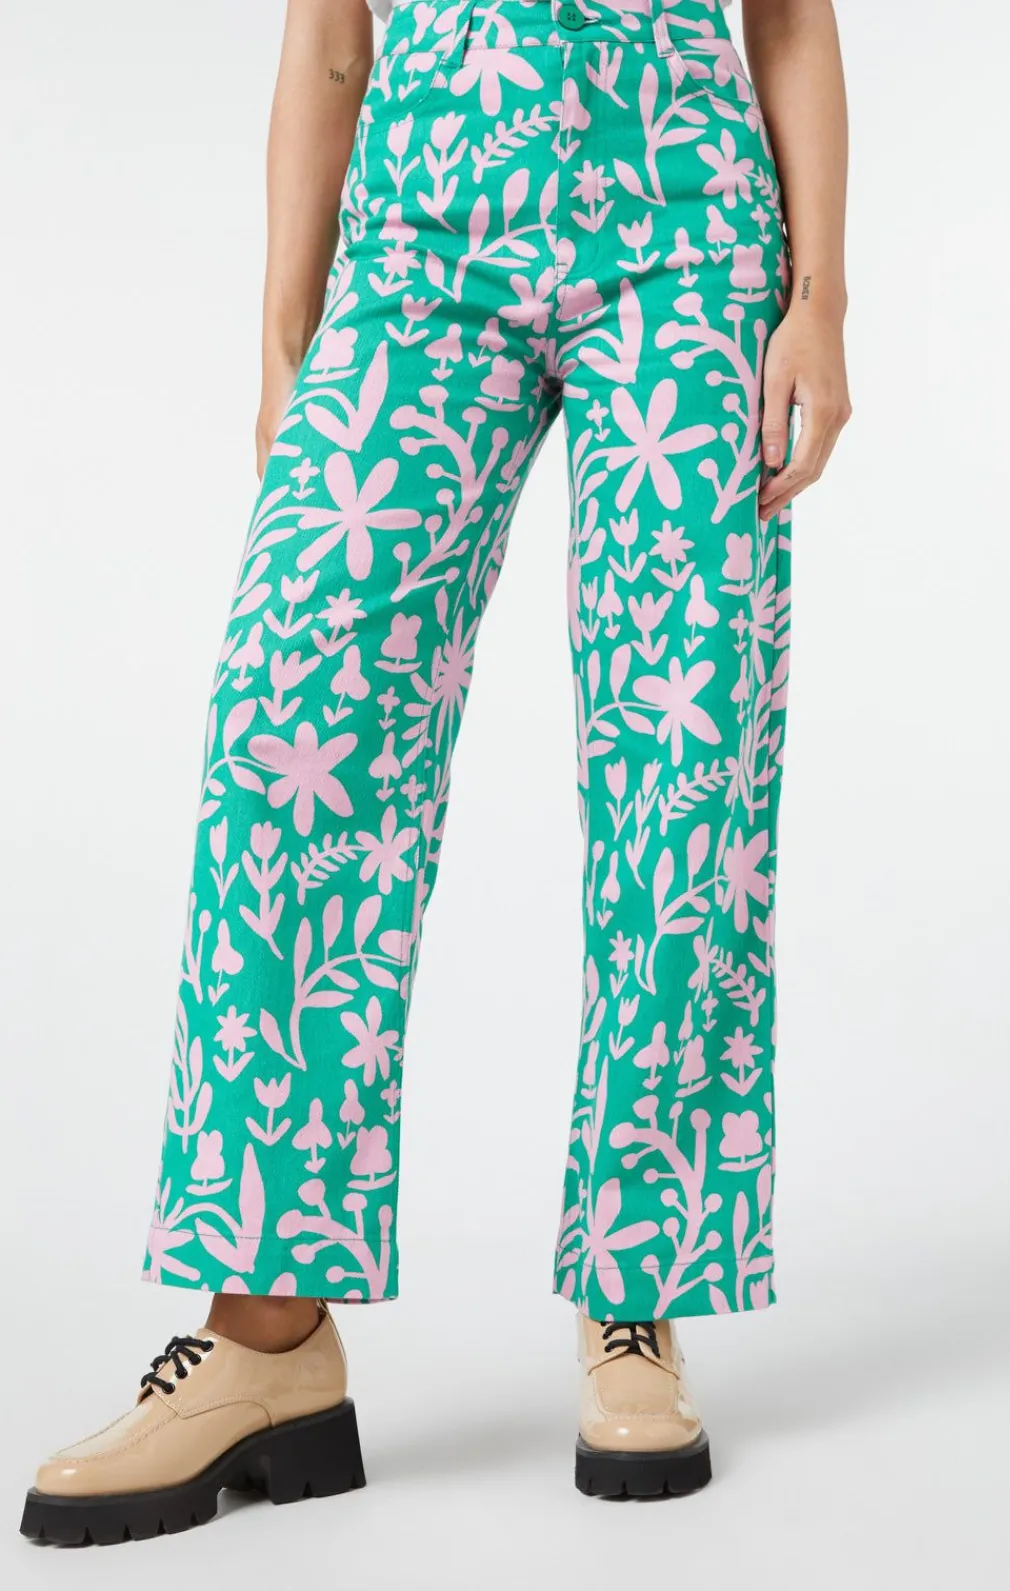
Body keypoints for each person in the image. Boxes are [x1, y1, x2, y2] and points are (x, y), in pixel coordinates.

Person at [21, 0, 850, 1543]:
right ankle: (267, 1331)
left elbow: (789, 20)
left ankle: (638, 1291)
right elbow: (331, 36)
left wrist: (819, 301)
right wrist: (286, 337)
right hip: (418, 245)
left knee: (686, 771)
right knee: (291, 725)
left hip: (684, 238)